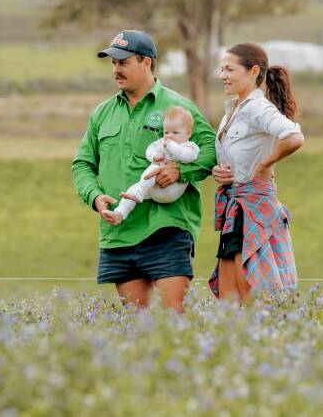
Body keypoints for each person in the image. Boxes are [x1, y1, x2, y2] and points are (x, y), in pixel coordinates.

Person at [72, 30, 216, 312]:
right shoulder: (102, 114)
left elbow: (211, 150)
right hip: (119, 230)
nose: (116, 70)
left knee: (173, 318)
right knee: (137, 324)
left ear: (147, 62)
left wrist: (180, 172)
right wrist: (94, 196)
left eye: (123, 62)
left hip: (166, 227)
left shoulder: (178, 107)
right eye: (113, 63)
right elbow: (83, 164)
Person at [208, 42, 305, 303]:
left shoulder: (257, 108)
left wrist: (264, 165)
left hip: (252, 208)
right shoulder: (233, 110)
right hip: (235, 208)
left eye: (229, 69)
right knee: (229, 299)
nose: (222, 75)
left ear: (253, 71)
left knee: (253, 295)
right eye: (221, 69)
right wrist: (220, 171)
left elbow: (294, 137)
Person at [110, 106, 201, 225]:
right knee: (133, 189)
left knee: (154, 169)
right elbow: (150, 149)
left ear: (188, 133)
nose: (169, 136)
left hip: (171, 189)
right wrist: (154, 156)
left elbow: (187, 157)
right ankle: (120, 213)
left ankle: (139, 194)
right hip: (153, 188)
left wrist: (171, 146)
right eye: (166, 132)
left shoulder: (190, 146)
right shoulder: (163, 142)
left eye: (175, 132)